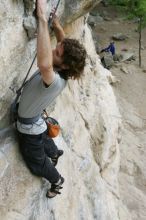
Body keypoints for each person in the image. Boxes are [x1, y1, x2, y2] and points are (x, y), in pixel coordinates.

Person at [17, 0, 86, 199]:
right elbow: (63, 46)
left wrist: (42, 19)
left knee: (36, 161)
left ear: (63, 65)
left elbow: (44, 63)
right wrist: (57, 27)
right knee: (43, 139)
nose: (54, 49)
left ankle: (57, 181)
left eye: (57, 52)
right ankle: (55, 153)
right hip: (36, 120)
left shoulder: (54, 79)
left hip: (30, 129)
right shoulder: (64, 71)